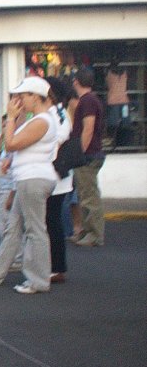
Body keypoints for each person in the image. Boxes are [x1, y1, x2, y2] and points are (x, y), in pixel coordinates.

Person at [0, 77, 59, 294]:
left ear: (35, 96)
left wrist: (12, 118)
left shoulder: (43, 121)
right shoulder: (39, 119)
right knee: (13, 228)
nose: (19, 100)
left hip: (33, 179)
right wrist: (18, 116)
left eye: (23, 96)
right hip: (27, 178)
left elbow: (11, 143)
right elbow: (19, 145)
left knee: (34, 230)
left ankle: (38, 280)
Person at [70, 68, 105, 247]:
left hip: (89, 155)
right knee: (84, 193)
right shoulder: (90, 100)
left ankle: (94, 234)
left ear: (76, 81)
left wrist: (80, 153)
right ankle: (85, 231)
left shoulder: (88, 101)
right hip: (91, 153)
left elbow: (88, 128)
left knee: (89, 196)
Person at [46, 77, 74, 285]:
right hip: (60, 177)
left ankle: (56, 267)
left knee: (51, 223)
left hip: (53, 176)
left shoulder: (53, 115)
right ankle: (54, 266)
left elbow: (53, 143)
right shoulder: (61, 113)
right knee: (52, 222)